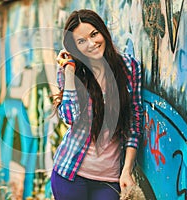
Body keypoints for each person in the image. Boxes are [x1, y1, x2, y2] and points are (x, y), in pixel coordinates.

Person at [51, 9, 143, 200]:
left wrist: (127, 169)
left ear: (103, 32)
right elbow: (69, 117)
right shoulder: (73, 72)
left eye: (94, 34)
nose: (92, 44)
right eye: (81, 41)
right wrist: (69, 73)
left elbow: (134, 121)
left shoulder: (128, 67)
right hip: (70, 175)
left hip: (109, 180)